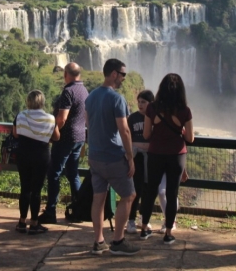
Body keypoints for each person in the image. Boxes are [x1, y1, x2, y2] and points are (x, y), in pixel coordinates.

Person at [84, 58, 140, 256]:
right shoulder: (117, 99)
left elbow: (89, 126)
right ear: (114, 74)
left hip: (95, 156)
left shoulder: (90, 97)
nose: (124, 78)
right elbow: (124, 130)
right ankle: (118, 241)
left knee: (98, 198)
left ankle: (99, 242)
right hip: (113, 157)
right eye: (123, 74)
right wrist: (130, 157)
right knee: (129, 195)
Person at [139, 74, 193, 245]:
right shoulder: (185, 110)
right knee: (172, 193)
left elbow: (146, 134)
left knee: (150, 192)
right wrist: (181, 131)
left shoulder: (152, 108)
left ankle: (144, 228)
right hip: (176, 155)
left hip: (155, 154)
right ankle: (168, 232)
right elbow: (190, 138)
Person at [38, 62, 89, 224]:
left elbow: (62, 118)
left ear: (66, 74)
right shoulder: (84, 89)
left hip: (65, 138)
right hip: (80, 137)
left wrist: (54, 134)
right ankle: (80, 208)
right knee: (73, 173)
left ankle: (51, 211)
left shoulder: (68, 91)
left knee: (54, 174)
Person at [13, 90, 60, 234]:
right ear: (42, 102)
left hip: (24, 154)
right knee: (36, 190)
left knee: (25, 188)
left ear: (28, 101)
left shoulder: (21, 116)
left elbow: (15, 134)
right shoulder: (50, 118)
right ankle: (34, 223)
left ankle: (21, 222)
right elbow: (57, 137)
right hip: (41, 155)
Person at [126, 90, 155, 234]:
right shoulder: (132, 118)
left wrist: (140, 145)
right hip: (136, 158)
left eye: (144, 102)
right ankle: (130, 220)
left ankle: (144, 219)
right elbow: (127, 137)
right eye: (139, 101)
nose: (140, 104)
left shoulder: (155, 118)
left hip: (150, 159)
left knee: (147, 190)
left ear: (151, 103)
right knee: (135, 189)